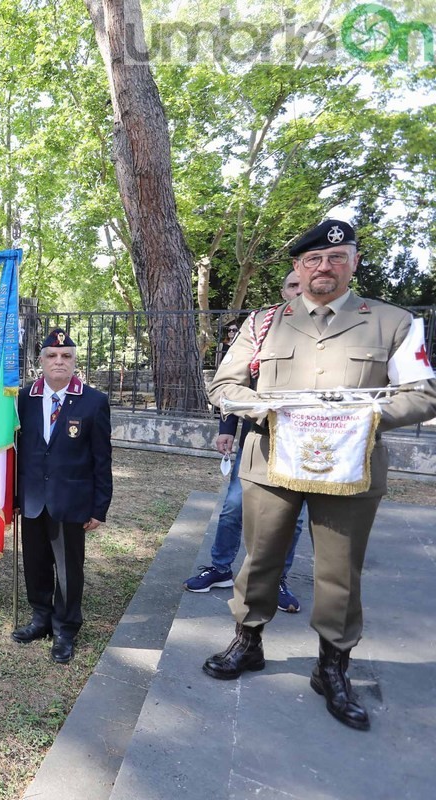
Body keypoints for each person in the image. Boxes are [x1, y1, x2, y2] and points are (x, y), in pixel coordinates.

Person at [206, 219, 436, 731]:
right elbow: (224, 385)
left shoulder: (393, 322)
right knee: (260, 559)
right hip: (271, 462)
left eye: (336, 258)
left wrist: (362, 417)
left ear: (353, 262)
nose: (324, 267)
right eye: (312, 259)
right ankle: (248, 642)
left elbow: (423, 393)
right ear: (298, 267)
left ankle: (332, 666)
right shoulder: (265, 322)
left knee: (339, 572)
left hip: (350, 469)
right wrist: (268, 409)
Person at [187, 272, 310, 613]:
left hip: (305, 444)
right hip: (259, 437)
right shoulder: (262, 327)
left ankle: (276, 580)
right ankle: (220, 568)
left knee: (293, 518)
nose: (299, 291)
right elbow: (235, 383)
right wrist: (227, 426)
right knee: (233, 506)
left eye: (304, 285)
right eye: (292, 286)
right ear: (283, 290)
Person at [14, 329, 113, 664]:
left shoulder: (93, 401)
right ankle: (40, 617)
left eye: (66, 356)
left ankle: (66, 627)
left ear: (74, 361)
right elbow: (18, 452)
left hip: (71, 501)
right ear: (40, 361)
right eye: (52, 356)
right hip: (32, 498)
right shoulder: (23, 398)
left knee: (69, 569)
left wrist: (100, 507)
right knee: (36, 563)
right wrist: (14, 496)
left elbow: (102, 458)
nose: (59, 361)